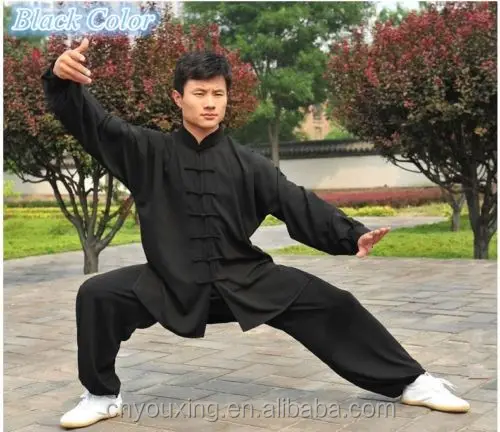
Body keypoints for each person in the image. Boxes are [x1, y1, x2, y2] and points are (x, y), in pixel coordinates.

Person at [42, 38, 470, 429]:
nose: (210, 103)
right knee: (98, 294)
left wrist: (350, 234)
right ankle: (101, 395)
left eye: (218, 94)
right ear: (178, 97)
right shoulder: (146, 151)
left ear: (227, 98)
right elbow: (96, 125)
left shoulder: (249, 164)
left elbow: (296, 201)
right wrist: (61, 80)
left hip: (243, 278)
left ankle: (412, 382)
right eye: (199, 93)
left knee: (333, 303)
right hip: (169, 280)